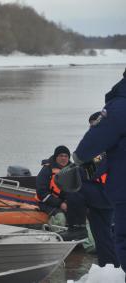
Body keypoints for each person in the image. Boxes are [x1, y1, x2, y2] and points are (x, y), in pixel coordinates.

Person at [73, 69, 126, 271]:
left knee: (120, 238)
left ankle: (108, 267)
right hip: (105, 198)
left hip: (114, 195)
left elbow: (85, 154)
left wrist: (77, 161)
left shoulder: (119, 107)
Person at [74, 112, 119, 267]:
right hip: (105, 197)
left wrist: (74, 171)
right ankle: (109, 265)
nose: (92, 130)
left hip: (104, 196)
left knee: (72, 188)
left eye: (94, 126)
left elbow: (90, 171)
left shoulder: (106, 149)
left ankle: (77, 227)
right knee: (103, 234)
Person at [35, 145, 88, 241]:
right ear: (56, 157)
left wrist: (69, 203)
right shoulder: (47, 170)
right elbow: (41, 192)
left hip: (68, 203)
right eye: (61, 156)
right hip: (47, 203)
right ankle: (58, 239)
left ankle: (84, 240)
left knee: (85, 216)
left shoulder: (73, 170)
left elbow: (78, 190)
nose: (63, 158)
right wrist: (60, 204)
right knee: (60, 217)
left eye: (66, 156)